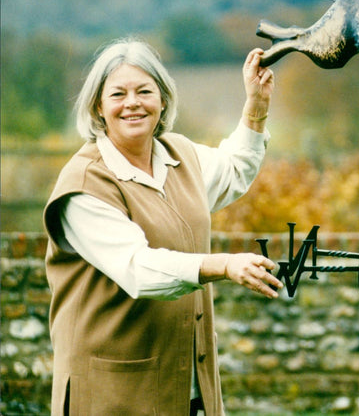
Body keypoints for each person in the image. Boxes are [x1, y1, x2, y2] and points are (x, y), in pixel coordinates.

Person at [43, 38, 284, 415]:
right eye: (118, 94)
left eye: (144, 91)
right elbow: (138, 269)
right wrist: (222, 265)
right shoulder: (84, 184)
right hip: (111, 394)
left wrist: (256, 105)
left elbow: (234, 168)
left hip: (186, 389)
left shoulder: (178, 154)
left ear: (163, 100)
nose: (133, 103)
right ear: (98, 107)